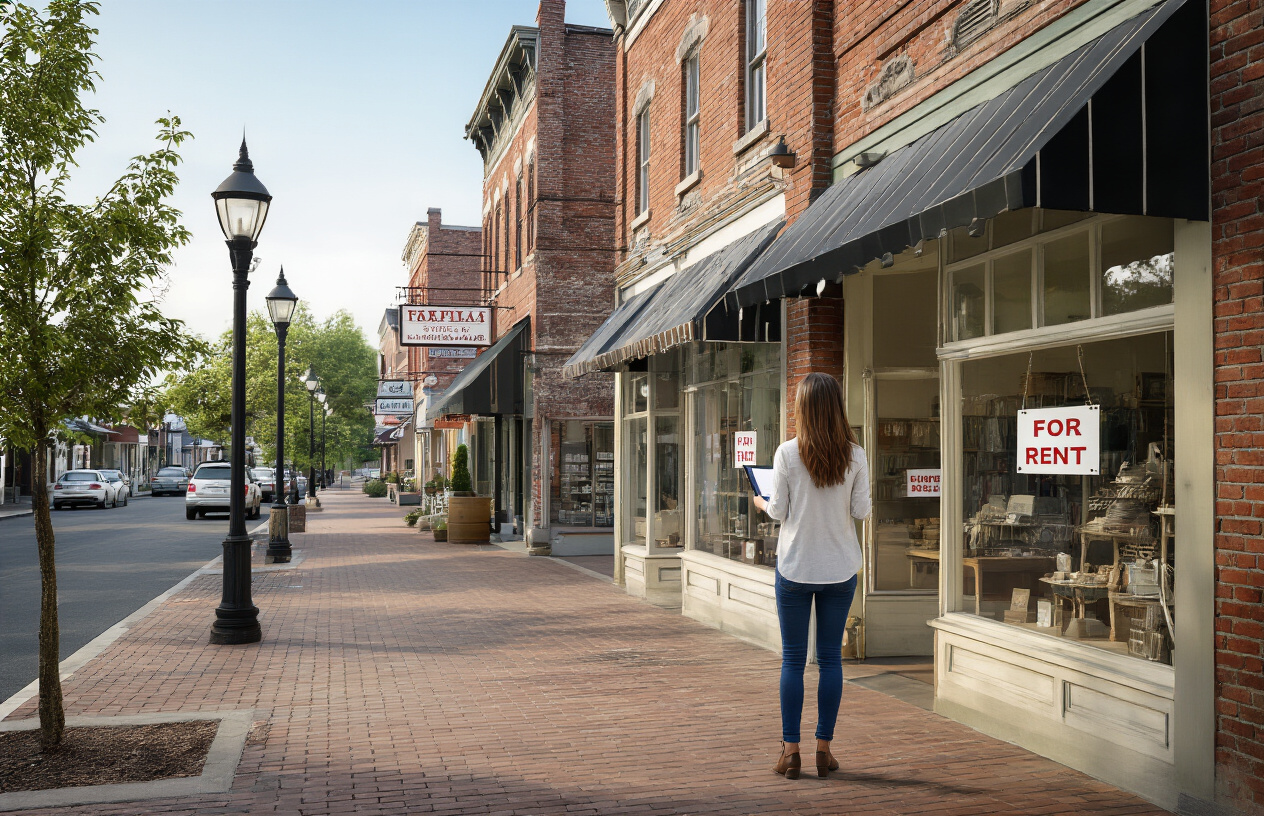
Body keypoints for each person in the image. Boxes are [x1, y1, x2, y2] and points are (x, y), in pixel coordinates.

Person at [752, 372, 870, 780]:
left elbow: (779, 511)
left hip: (796, 567)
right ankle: (824, 749)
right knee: (831, 660)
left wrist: (760, 500)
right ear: (837, 407)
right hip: (840, 569)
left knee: (793, 660)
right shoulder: (855, 455)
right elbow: (861, 511)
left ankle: (790, 752)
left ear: (801, 408)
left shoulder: (787, 453)